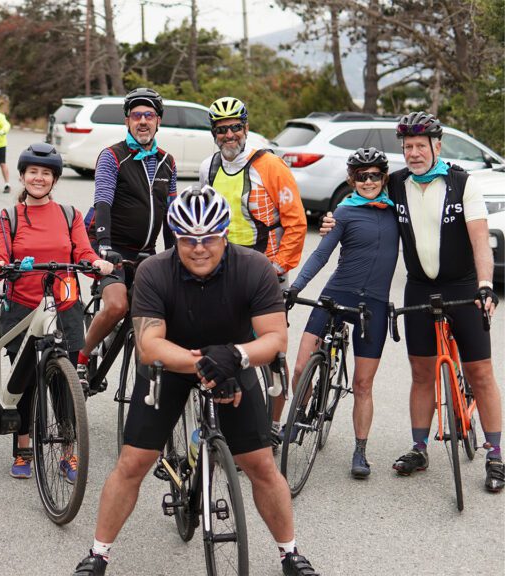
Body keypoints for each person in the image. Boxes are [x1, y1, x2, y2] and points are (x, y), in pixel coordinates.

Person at [71, 187, 319, 576]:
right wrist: (207, 364)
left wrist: (235, 357)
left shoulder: (254, 267)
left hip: (234, 360)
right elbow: (150, 345)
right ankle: (98, 554)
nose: (199, 248)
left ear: (224, 235)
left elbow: (274, 339)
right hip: (169, 365)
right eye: (188, 239)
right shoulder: (154, 271)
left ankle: (290, 553)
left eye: (209, 238)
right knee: (133, 462)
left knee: (260, 465)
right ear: (175, 237)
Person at [320, 111, 502, 492]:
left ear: (437, 146)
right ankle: (419, 447)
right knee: (421, 373)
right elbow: (360, 197)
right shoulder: (397, 183)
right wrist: (331, 221)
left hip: (463, 287)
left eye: (421, 145)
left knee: (481, 372)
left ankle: (495, 454)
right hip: (419, 288)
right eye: (408, 146)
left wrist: (485, 284)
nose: (415, 153)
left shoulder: (461, 183)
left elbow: (479, 238)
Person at [0, 143, 113, 478]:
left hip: (64, 305)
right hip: (24, 306)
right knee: (24, 381)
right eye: (33, 173)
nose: (39, 178)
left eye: (46, 174)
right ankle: (23, 447)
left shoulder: (69, 215)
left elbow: (83, 251)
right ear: (23, 176)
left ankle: (68, 451)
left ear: (54, 180)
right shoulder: (7, 217)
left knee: (63, 384)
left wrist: (96, 263)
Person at [285, 148, 398, 479]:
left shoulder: (396, 214)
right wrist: (296, 289)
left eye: (374, 175)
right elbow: (321, 254)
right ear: (352, 180)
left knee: (363, 384)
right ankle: (301, 415)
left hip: (373, 306)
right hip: (335, 294)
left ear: (384, 177)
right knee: (302, 365)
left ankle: (360, 451)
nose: (368, 181)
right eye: (361, 176)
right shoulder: (344, 213)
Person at [200, 96, 307, 439]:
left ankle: (273, 424)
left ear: (245, 128)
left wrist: (279, 266)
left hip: (265, 271)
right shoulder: (209, 167)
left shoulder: (271, 166)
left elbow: (296, 223)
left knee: (271, 350)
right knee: (222, 345)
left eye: (234, 127)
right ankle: (225, 421)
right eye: (221, 130)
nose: (228, 135)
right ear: (214, 133)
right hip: (223, 270)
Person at [76, 87, 177, 391]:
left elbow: (171, 214)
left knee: (158, 309)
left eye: (149, 115)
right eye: (137, 115)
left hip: (146, 250)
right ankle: (82, 358)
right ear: (127, 121)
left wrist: (175, 255)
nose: (143, 121)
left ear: (158, 121)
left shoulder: (166, 162)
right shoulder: (112, 156)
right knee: (118, 305)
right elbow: (103, 201)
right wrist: (104, 247)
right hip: (110, 246)